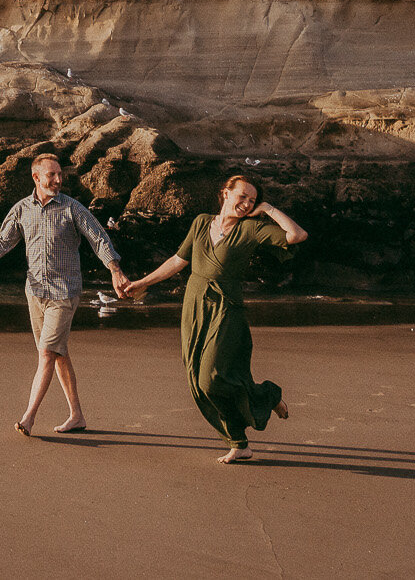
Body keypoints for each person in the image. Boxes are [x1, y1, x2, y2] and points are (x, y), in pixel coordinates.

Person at [122, 174, 308, 462]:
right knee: (196, 379)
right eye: (242, 196)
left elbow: (297, 236)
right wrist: (144, 282)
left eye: (252, 200)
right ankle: (239, 443)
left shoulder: (251, 228)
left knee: (210, 379)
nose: (246, 204)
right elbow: (178, 261)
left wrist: (268, 209)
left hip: (226, 309)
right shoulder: (200, 222)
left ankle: (266, 396)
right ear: (225, 193)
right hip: (194, 305)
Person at [0, 153, 130, 435]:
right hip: (35, 293)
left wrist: (114, 270)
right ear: (36, 178)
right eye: (52, 175)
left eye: (60, 174)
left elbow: (98, 237)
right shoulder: (22, 209)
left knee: (46, 353)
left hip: (64, 293)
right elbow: (3, 242)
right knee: (58, 353)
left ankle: (28, 417)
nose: (59, 180)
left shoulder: (72, 208)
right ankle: (77, 415)